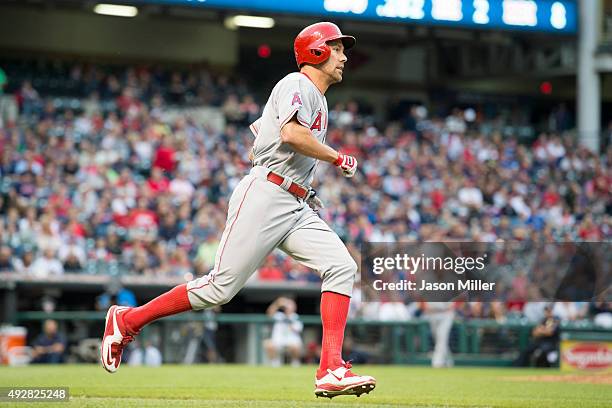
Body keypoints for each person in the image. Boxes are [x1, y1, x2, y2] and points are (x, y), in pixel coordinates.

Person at [101, 22, 376, 398]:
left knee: (342, 266)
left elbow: (259, 143)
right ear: (316, 51)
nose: (344, 56)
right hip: (268, 194)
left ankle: (330, 368)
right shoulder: (296, 84)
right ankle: (127, 319)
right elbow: (291, 135)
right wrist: (335, 157)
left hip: (292, 199)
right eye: (337, 48)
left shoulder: (316, 97)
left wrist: (300, 184)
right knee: (219, 289)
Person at [264, 297, 303, 367]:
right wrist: (277, 304)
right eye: (287, 306)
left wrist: (288, 319)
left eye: (290, 305)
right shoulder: (279, 315)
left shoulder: (296, 317)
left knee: (296, 346)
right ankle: (274, 363)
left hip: (291, 341)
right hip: (278, 341)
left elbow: (297, 329)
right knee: (268, 344)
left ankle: (295, 363)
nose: (288, 307)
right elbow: (269, 313)